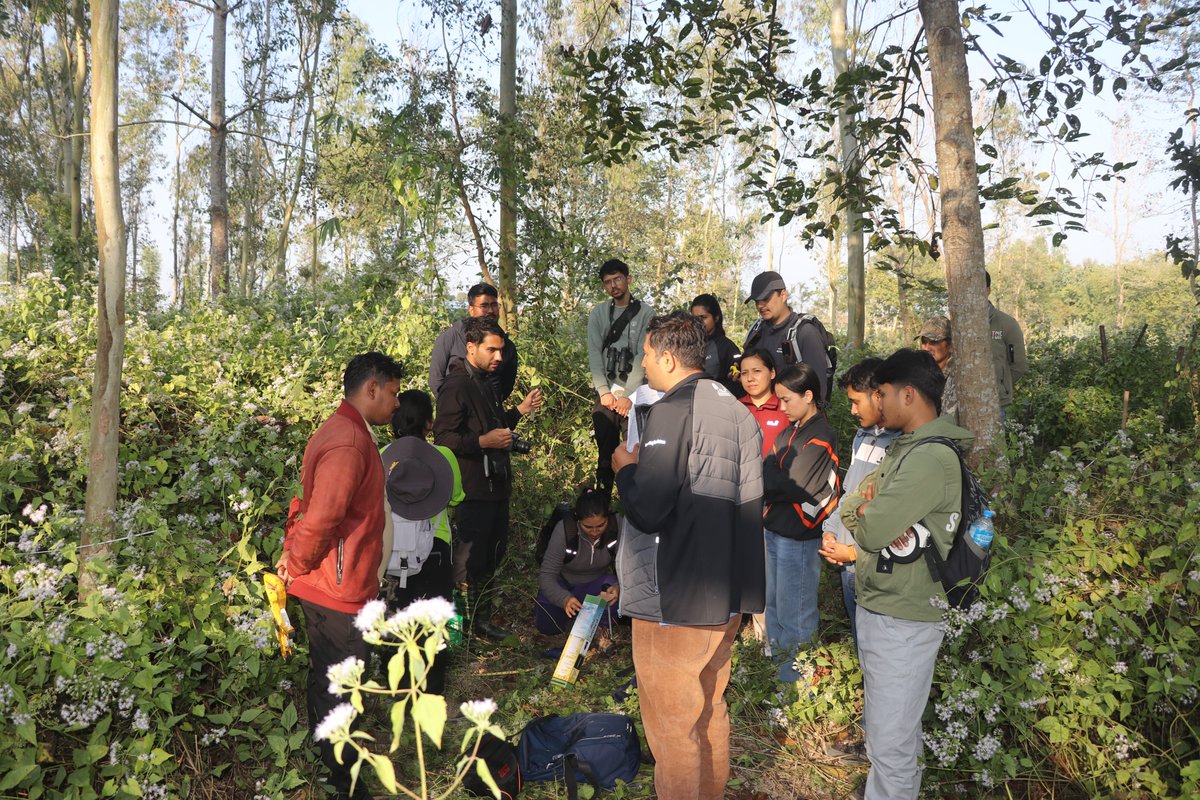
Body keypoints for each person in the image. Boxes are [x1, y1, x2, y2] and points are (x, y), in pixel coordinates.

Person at [612, 311, 765, 800]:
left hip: (673, 595)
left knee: (672, 726)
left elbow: (651, 507)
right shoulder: (736, 409)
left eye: (645, 355)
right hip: (726, 591)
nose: (642, 365)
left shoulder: (672, 410)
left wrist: (625, 470)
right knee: (708, 710)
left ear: (667, 356)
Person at [839, 348, 974, 800]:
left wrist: (859, 506)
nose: (877, 403)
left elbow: (871, 526)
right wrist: (862, 503)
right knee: (891, 733)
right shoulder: (907, 449)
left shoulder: (928, 459)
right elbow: (858, 501)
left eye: (882, 393)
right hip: (887, 606)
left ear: (909, 394)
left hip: (904, 616)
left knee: (891, 742)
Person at [276, 352, 404, 800]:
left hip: (336, 583)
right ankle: (344, 780)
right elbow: (322, 516)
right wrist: (296, 564)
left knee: (327, 679)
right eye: (392, 392)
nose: (396, 403)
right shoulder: (349, 440)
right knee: (342, 688)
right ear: (371, 388)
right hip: (336, 590)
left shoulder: (348, 431)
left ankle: (327, 765)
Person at [433, 318, 544, 640]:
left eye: (501, 350)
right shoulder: (456, 386)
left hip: (497, 486)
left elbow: (492, 427)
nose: (499, 357)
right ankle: (457, 630)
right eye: (491, 350)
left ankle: (479, 623)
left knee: (492, 556)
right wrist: (483, 443)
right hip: (473, 490)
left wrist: (518, 411)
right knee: (468, 562)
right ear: (471, 348)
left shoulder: (485, 382)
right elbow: (443, 439)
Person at [378, 389, 464, 694]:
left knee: (397, 619)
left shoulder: (382, 456)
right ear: (429, 423)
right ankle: (431, 691)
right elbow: (455, 498)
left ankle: (400, 689)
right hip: (436, 549)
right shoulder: (444, 457)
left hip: (392, 551)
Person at [760, 363, 840, 683]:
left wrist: (771, 478)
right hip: (775, 530)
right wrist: (773, 477)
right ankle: (781, 677)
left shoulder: (821, 434)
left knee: (797, 615)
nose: (782, 407)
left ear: (808, 396)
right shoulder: (788, 432)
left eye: (787, 400)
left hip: (800, 537)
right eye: (778, 400)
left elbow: (796, 484)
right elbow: (767, 472)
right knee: (776, 608)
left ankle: (797, 687)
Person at [818, 358, 901, 645]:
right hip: (847, 561)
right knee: (859, 636)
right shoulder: (862, 435)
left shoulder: (904, 443)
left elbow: (895, 518)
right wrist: (830, 530)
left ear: (879, 395)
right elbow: (850, 493)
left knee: (879, 643)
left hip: (872, 564)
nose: (852, 410)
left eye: (856, 401)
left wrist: (853, 552)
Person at [587, 258, 655, 495]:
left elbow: (642, 355)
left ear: (628, 279)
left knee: (634, 450)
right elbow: (594, 352)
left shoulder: (646, 313)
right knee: (605, 454)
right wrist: (603, 391)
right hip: (606, 393)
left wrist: (629, 395)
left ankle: (632, 504)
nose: (613, 285)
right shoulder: (599, 313)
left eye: (617, 279)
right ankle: (601, 507)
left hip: (634, 394)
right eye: (608, 282)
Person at [533, 489, 620, 635]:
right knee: (548, 627)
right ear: (578, 521)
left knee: (614, 591)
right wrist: (564, 598)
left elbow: (633, 568)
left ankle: (600, 629)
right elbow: (546, 575)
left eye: (601, 525)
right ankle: (573, 616)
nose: (595, 531)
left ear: (608, 518)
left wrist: (618, 587)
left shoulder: (618, 525)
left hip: (596, 586)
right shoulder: (565, 529)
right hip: (564, 584)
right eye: (588, 527)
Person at [742, 270, 833, 403]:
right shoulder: (756, 331)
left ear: (783, 295)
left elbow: (818, 388)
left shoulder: (805, 333)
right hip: (762, 414)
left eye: (766, 299)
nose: (761, 305)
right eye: (757, 301)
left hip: (797, 417)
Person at [429, 283, 518, 402]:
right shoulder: (451, 337)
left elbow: (506, 386)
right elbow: (436, 380)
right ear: (471, 310)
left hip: (489, 415)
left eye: (494, 305)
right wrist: (453, 406)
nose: (490, 311)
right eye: (484, 306)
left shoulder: (507, 346)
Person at [987, 271, 1027, 419]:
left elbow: (1019, 365)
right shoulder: (960, 324)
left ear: (988, 290)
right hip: (964, 399)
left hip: (996, 401)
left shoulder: (1006, 324)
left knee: (995, 442)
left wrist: (1002, 385)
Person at [691, 293, 740, 395]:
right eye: (695, 319)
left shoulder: (728, 347)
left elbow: (736, 383)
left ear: (716, 317)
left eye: (703, 317)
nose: (698, 322)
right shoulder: (687, 345)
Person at [917, 315, 956, 420]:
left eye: (934, 342)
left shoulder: (957, 377)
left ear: (950, 346)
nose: (927, 348)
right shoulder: (919, 373)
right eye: (924, 341)